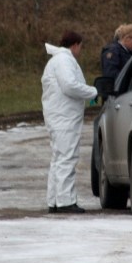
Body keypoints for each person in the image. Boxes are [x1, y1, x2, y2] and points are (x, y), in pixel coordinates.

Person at [41, 30, 98, 214]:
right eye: (80, 46)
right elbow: (69, 86)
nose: (80, 50)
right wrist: (93, 92)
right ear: (75, 45)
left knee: (58, 159)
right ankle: (65, 201)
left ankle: (55, 200)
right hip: (64, 117)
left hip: (59, 116)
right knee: (66, 158)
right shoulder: (64, 60)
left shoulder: (57, 60)